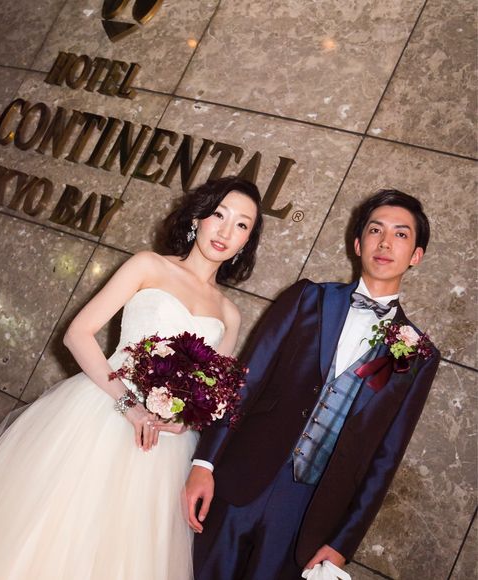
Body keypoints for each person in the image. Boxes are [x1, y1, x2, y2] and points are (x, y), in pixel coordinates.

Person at [0, 176, 264, 580]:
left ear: (246, 242)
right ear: (197, 218)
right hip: (100, 413)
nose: (225, 231)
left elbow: (210, 393)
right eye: (219, 215)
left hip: (162, 451)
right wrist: (129, 405)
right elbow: (77, 334)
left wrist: (184, 421)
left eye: (241, 225)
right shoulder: (148, 265)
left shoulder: (229, 314)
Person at [185, 189, 441, 580]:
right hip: (239, 480)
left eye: (401, 234)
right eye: (375, 230)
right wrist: (204, 463)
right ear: (358, 244)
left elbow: (385, 457)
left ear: (416, 255)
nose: (385, 243)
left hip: (307, 514)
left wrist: (344, 541)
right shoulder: (307, 298)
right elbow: (246, 382)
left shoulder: (418, 354)